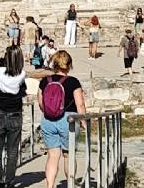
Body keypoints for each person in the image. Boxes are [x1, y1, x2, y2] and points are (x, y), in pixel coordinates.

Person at [40, 50, 86, 188]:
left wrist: (51, 112)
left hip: (48, 120)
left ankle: (50, 186)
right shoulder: (73, 82)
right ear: (69, 65)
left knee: (52, 156)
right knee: (68, 155)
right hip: (68, 120)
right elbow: (80, 104)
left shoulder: (44, 81)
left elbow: (41, 103)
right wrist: (83, 122)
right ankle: (70, 185)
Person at [0, 45, 27, 188]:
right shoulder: (21, 75)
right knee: (12, 149)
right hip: (15, 114)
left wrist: (3, 59)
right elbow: (23, 91)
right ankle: (10, 180)